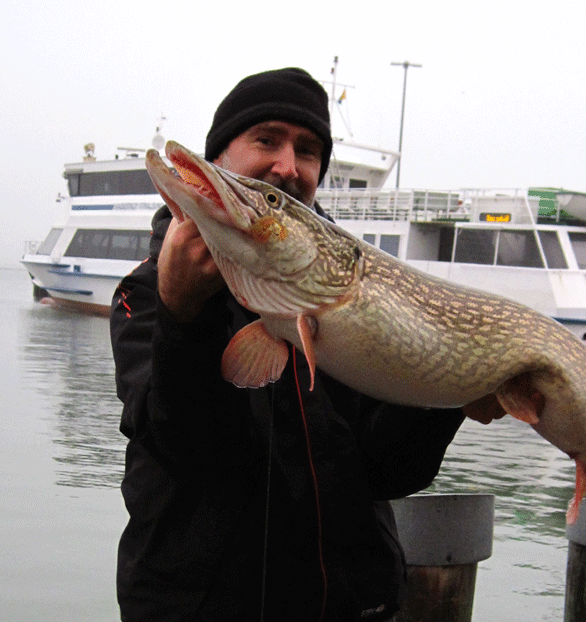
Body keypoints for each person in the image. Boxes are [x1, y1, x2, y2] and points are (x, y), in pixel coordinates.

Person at [110, 67, 504, 622]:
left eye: (309, 150)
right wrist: (183, 316)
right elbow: (189, 453)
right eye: (266, 139)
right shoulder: (147, 294)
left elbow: (390, 472)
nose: (288, 166)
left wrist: (450, 394)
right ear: (218, 156)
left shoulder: (345, 302)